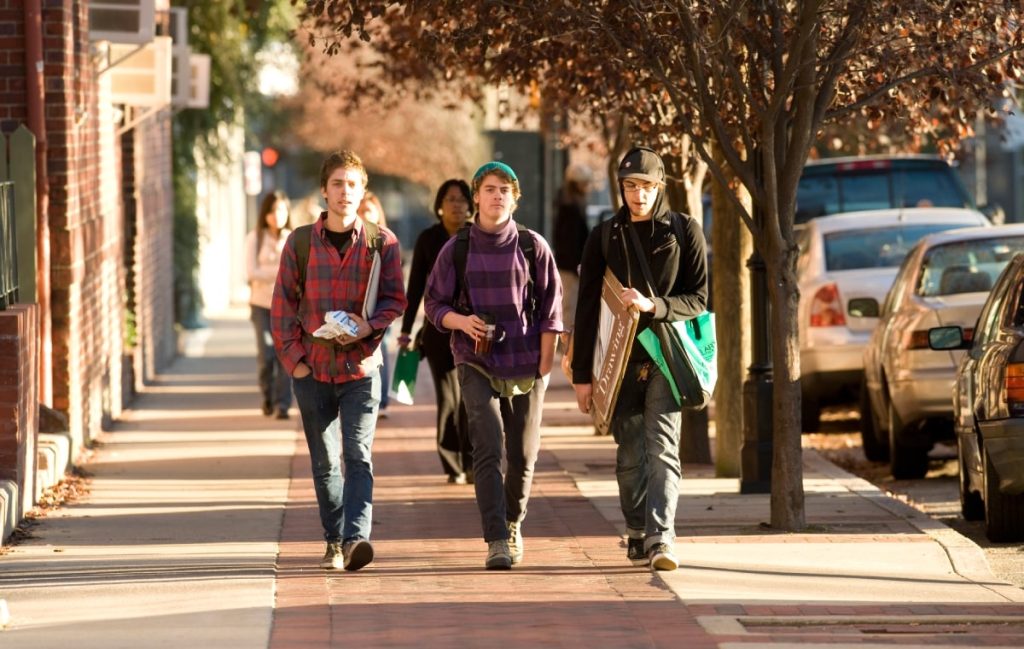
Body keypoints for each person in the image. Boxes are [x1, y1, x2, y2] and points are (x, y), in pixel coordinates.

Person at [570, 146, 708, 572]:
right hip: (619, 362)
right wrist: (582, 375)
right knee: (630, 455)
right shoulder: (604, 235)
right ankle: (636, 530)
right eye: (630, 186)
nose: (638, 195)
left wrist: (654, 306)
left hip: (666, 355)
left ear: (659, 187)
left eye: (646, 186)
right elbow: (587, 306)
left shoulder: (685, 231)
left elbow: (699, 300)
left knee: (663, 447)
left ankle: (661, 538)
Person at [271, 150, 407, 571]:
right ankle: (333, 539)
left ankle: (355, 540)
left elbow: (394, 299)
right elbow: (281, 307)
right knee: (325, 461)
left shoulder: (382, 243)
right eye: (337, 184)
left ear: (362, 190)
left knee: (358, 455)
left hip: (362, 369)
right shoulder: (299, 243)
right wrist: (296, 362)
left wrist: (369, 328)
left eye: (352, 184)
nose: (344, 191)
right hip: (313, 371)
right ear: (324, 191)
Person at [424, 161, 562, 570]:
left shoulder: (533, 247)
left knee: (523, 451)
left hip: (526, 361)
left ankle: (513, 520)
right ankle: (497, 537)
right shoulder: (458, 248)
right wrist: (461, 321)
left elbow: (553, 312)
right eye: (488, 189)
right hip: (475, 358)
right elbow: (434, 304)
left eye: (504, 189)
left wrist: (545, 368)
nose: (496, 195)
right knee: (487, 443)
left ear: (514, 199)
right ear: (476, 197)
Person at [399, 179, 474, 484]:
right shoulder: (428, 238)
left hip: (472, 330)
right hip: (438, 329)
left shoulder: (477, 235)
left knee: (472, 398)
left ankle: (472, 462)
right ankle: (452, 463)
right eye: (450, 199)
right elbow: (415, 285)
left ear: (470, 205)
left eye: (462, 199)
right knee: (448, 398)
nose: (456, 205)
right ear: (440, 204)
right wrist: (405, 331)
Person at [246, 190, 293, 419]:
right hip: (260, 305)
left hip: (287, 306)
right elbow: (251, 272)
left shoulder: (293, 238)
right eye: (273, 210)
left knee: (285, 353)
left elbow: (297, 274)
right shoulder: (255, 238)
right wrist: (280, 272)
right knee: (266, 355)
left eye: (282, 210)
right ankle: (267, 395)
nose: (278, 215)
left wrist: (270, 273)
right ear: (265, 214)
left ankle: (283, 404)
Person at [358, 191, 392, 419]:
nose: (364, 215)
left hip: (380, 308)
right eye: (361, 211)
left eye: (368, 210)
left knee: (382, 349)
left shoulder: (386, 241)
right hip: (356, 308)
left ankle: (381, 400)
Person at [553, 162, 592, 334]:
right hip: (569, 266)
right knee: (569, 305)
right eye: (584, 183)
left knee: (569, 304)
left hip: (570, 264)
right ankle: (566, 343)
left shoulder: (570, 204)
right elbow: (569, 241)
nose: (588, 187)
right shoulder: (570, 207)